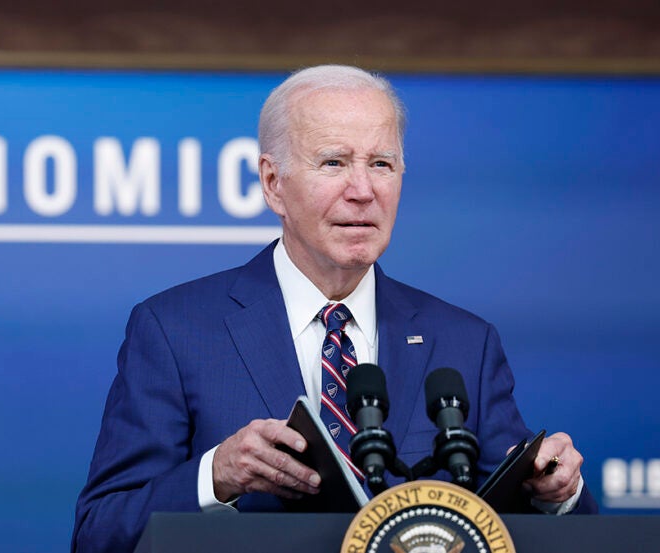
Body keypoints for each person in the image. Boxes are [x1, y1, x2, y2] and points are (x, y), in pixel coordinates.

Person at [72, 65, 596, 553]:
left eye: (382, 164)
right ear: (273, 183)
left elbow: (531, 525)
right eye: (334, 163)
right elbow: (99, 533)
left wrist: (559, 494)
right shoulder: (176, 329)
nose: (363, 191)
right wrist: (216, 476)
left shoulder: (464, 342)